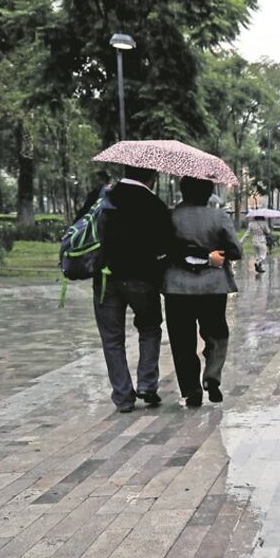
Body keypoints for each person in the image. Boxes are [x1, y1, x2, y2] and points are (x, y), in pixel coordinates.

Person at [94, 166, 174, 413]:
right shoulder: (155, 205)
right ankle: (147, 385)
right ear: (152, 177)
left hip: (105, 279)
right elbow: (166, 245)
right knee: (150, 329)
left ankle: (123, 397)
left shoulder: (103, 196)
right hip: (143, 279)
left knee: (112, 338)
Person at [163, 177, 242, 408]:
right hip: (213, 286)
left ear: (182, 191)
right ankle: (212, 377)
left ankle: (191, 390)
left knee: (182, 340)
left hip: (177, 288)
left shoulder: (170, 217)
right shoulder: (219, 217)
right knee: (217, 332)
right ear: (209, 194)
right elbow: (236, 250)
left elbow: (163, 248)